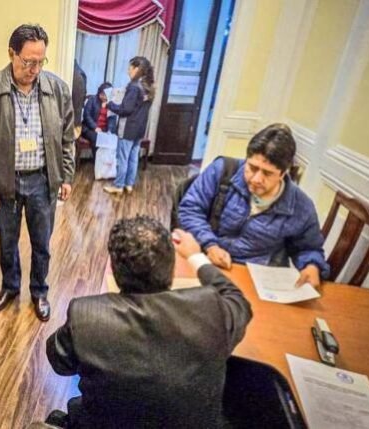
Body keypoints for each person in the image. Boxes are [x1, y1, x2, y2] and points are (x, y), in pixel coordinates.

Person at [46, 216, 252, 428]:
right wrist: (195, 256)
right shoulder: (211, 309)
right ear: (171, 268)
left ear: (115, 271)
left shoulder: (87, 316)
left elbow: (60, 363)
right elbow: (237, 299)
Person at [0, 23, 75, 321]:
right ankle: (10, 287)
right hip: (6, 181)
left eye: (41, 61)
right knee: (7, 242)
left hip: (43, 179)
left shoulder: (57, 89)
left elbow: (67, 138)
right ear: (11, 54)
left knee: (42, 243)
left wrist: (67, 175)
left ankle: (39, 291)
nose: (35, 69)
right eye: (29, 61)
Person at [178, 123, 329, 286]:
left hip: (253, 276)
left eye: (267, 173)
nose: (256, 179)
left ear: (283, 173)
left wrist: (312, 266)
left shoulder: (301, 206)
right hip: (205, 257)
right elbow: (190, 209)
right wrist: (210, 244)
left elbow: (309, 248)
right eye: (252, 167)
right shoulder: (222, 170)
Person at [103, 56, 155, 194]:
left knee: (122, 158)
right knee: (133, 158)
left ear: (137, 69)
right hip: (140, 129)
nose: (128, 71)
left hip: (127, 128)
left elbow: (125, 109)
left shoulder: (134, 86)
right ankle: (129, 184)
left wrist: (109, 104)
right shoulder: (149, 87)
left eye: (130, 68)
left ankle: (118, 185)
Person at [81, 82, 115, 147]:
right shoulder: (92, 99)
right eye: (102, 94)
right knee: (97, 139)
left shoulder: (111, 104)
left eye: (105, 95)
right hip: (90, 129)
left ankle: (104, 154)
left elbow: (112, 119)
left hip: (104, 130)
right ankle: (96, 154)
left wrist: (109, 131)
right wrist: (95, 127)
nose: (103, 97)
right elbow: (86, 115)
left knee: (110, 140)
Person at [72, 59, 87, 137]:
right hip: (75, 114)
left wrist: (76, 123)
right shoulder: (79, 73)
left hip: (74, 114)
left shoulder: (78, 74)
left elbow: (79, 99)